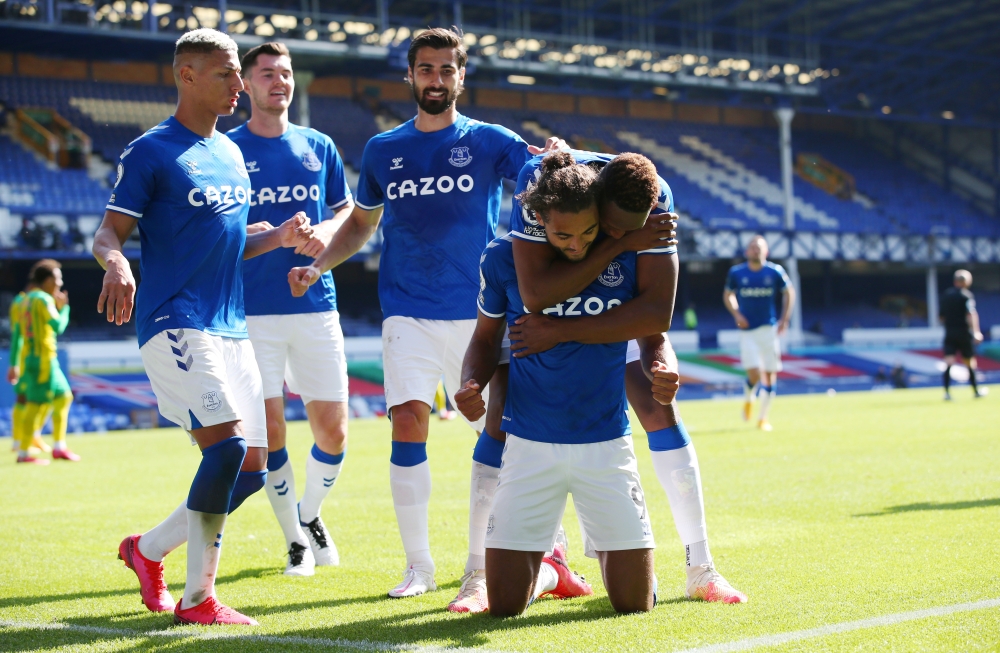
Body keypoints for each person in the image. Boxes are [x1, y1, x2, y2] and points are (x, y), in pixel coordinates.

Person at [288, 27, 564, 600]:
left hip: (480, 315)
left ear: (461, 77)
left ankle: (486, 567)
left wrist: (557, 158)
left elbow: (545, 180)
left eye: (447, 70)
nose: (436, 80)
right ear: (410, 76)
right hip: (407, 312)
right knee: (408, 424)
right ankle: (419, 567)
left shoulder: (490, 140)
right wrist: (320, 267)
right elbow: (361, 226)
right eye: (426, 69)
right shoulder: (383, 150)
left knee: (502, 438)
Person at [453, 150, 745, 612]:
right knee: (500, 417)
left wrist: (652, 360)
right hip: (536, 358)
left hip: (608, 351)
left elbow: (655, 318)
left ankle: (700, 566)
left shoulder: (654, 203)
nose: (616, 235)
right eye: (608, 226)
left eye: (626, 231)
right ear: (595, 195)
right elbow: (535, 296)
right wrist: (618, 246)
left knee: (658, 405)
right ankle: (488, 573)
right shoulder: (539, 190)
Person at [92, 28, 312, 626]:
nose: (240, 85)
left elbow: (233, 244)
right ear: (185, 75)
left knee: (252, 466)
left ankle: (148, 549)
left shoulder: (233, 154)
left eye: (240, 74)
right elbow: (108, 231)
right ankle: (198, 602)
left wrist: (281, 238)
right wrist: (115, 261)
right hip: (175, 321)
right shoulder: (151, 151)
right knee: (231, 448)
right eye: (226, 75)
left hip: (230, 326)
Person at [227, 42, 354, 577]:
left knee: (334, 432)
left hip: (316, 303)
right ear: (247, 87)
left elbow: (347, 213)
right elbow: (217, 230)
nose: (279, 81)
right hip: (251, 312)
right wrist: (271, 236)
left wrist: (320, 236)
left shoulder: (318, 145)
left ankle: (309, 515)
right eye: (267, 74)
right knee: (271, 432)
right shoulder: (225, 150)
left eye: (285, 73)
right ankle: (294, 542)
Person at [722, 235, 795, 431]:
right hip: (748, 332)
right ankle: (748, 398)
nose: (756, 250)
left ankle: (763, 418)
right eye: (752, 247)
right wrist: (737, 314)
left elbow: (789, 292)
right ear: (747, 252)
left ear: (766, 252)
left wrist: (784, 319)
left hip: (768, 329)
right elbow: (728, 295)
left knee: (770, 375)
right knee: (754, 374)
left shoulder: (774, 271)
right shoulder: (737, 273)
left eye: (759, 247)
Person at [14, 260, 79, 464]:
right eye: (57, 278)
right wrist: (64, 308)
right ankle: (24, 452)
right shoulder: (43, 299)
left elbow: (17, 333)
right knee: (36, 403)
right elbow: (58, 326)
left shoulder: (23, 301)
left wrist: (14, 364)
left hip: (31, 358)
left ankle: (59, 447)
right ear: (48, 279)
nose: (60, 283)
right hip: (44, 360)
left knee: (64, 397)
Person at [8, 265, 53, 456]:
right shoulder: (32, 301)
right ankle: (23, 441)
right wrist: (15, 363)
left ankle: (24, 439)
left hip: (27, 357)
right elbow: (18, 334)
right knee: (42, 398)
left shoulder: (20, 301)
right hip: (33, 358)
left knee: (29, 399)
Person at [940, 269, 987, 400]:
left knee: (949, 362)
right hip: (963, 333)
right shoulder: (966, 296)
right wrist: (976, 332)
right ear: (966, 282)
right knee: (969, 362)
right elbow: (971, 313)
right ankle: (976, 391)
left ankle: (947, 393)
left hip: (950, 332)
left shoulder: (947, 295)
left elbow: (941, 317)